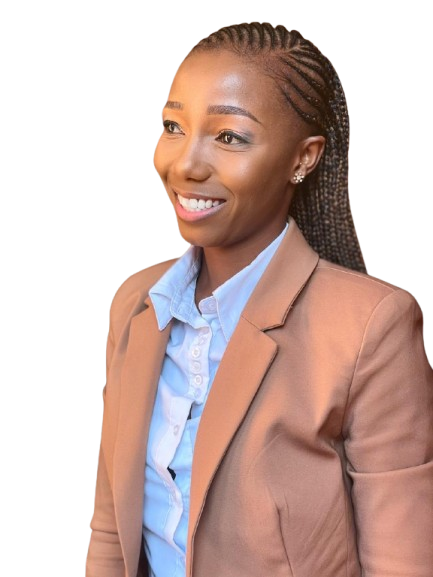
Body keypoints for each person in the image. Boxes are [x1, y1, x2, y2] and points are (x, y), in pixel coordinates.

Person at [85, 22, 433, 577]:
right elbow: (111, 527)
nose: (185, 164)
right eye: (173, 126)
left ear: (304, 158)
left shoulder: (372, 326)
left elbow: (400, 563)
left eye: (229, 137)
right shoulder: (136, 303)